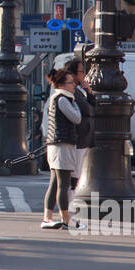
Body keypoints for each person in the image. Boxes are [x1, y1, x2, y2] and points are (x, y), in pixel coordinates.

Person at [41, 67, 85, 230]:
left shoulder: (58, 98)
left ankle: (47, 218)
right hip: (62, 145)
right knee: (63, 184)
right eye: (71, 82)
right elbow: (77, 118)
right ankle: (66, 220)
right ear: (61, 84)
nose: (74, 85)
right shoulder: (63, 99)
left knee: (55, 183)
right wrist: (76, 105)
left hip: (57, 144)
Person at [63, 58, 93, 192]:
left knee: (78, 173)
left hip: (83, 137)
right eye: (81, 71)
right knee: (74, 175)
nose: (84, 75)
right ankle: (69, 206)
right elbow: (88, 110)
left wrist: (89, 92)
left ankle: (70, 205)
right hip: (78, 137)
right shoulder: (72, 92)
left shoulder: (79, 91)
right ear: (73, 74)